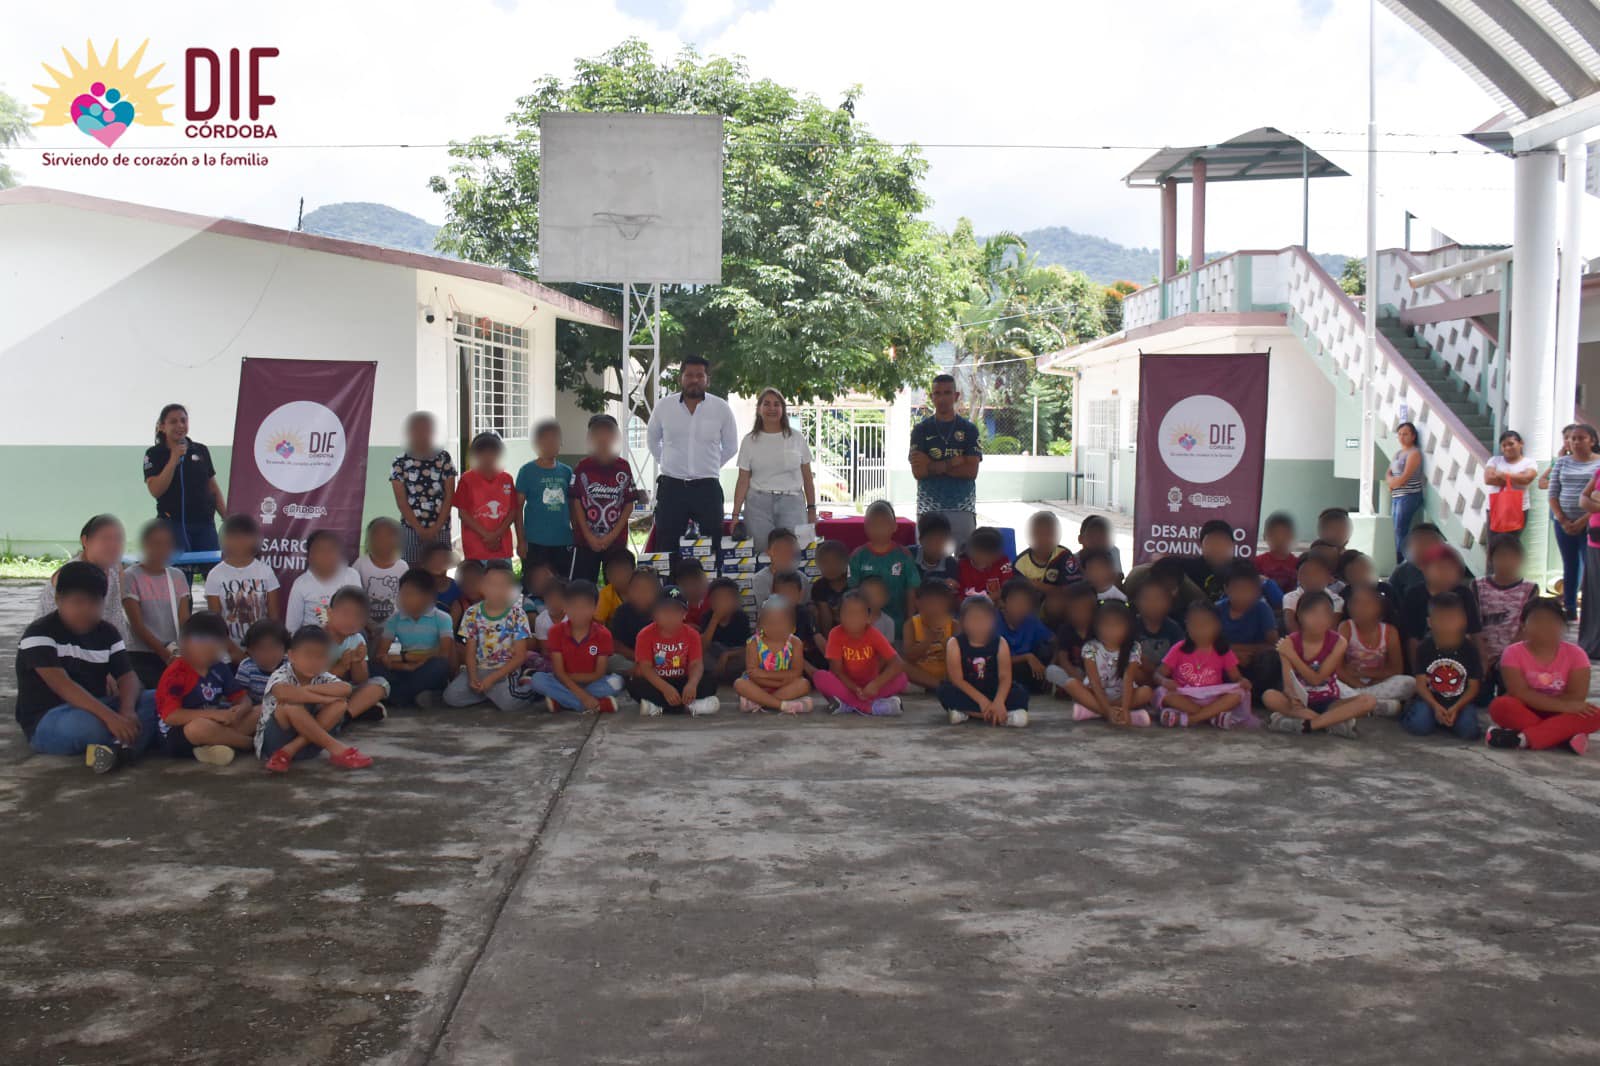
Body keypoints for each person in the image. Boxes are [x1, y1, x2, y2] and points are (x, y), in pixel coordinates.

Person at [15, 561, 157, 772]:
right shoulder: (38, 634)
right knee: (92, 727)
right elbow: (63, 685)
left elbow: (127, 676)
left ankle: (117, 750)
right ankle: (129, 743)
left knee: (158, 698)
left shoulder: (108, 633)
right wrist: (111, 718)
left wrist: (127, 711)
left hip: (99, 704)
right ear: (58, 600)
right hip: (50, 718)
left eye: (94, 602)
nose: (86, 610)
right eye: (78, 602)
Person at [648, 355, 740, 560]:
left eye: (700, 375)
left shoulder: (721, 408)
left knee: (713, 544)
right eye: (689, 375)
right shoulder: (664, 406)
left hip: (707, 488)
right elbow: (652, 440)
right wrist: (666, 463)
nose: (694, 380)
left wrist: (711, 465)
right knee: (666, 545)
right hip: (672, 487)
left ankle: (710, 590)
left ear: (707, 379)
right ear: (681, 378)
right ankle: (668, 589)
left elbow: (731, 446)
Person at [254, 625, 373, 773]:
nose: (314, 661)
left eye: (321, 656)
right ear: (292, 656)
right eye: (308, 655)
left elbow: (345, 688)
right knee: (290, 706)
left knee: (339, 705)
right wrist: (323, 699)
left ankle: (290, 750)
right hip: (275, 744)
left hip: (309, 746)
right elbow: (283, 694)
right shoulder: (282, 673)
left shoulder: (321, 676)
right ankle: (337, 749)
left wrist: (305, 690)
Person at [1487, 598, 1600, 753]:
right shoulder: (1513, 653)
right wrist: (1565, 706)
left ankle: (1521, 739)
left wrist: (1565, 707)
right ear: (1523, 625)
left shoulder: (1577, 655)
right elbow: (1519, 692)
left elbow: (1576, 697)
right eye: (1537, 620)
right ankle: (1563, 737)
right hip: (1527, 709)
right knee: (1500, 706)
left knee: (1594, 715)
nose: (1545, 626)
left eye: (1552, 620)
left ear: (1563, 626)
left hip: (1562, 713)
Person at [1263, 591, 1375, 738]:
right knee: (1269, 696)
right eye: (1313, 613)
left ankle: (1309, 724)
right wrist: (1291, 697)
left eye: (1325, 614)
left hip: (1329, 702)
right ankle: (1331, 723)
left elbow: (1316, 679)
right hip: (1300, 704)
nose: (1319, 619)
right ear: (1300, 616)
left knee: (1368, 701)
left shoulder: (1338, 642)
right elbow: (1288, 684)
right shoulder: (1289, 642)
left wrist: (1292, 655)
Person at [153, 612, 257, 765]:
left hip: (218, 724)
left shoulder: (219, 668)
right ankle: (250, 744)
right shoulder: (176, 673)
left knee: (261, 710)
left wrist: (241, 708)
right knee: (199, 728)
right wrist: (214, 714)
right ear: (185, 643)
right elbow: (171, 716)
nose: (206, 647)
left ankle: (217, 747)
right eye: (199, 641)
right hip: (180, 734)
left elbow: (241, 697)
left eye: (215, 642)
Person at [730, 388, 817, 552]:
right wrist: (735, 515)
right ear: (759, 409)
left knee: (792, 553)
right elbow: (743, 480)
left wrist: (811, 509)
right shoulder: (749, 441)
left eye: (777, 404)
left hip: (792, 503)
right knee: (762, 552)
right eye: (767, 404)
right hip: (758, 505)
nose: (772, 408)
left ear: (783, 409)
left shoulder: (796, 438)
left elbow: (807, 478)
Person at [444, 560, 535, 711]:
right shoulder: (472, 613)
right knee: (451, 697)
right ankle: (488, 692)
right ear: (483, 587)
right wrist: (473, 677)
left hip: (505, 671)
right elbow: (470, 651)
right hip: (479, 669)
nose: (497, 590)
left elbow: (520, 656)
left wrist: (492, 679)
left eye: (503, 585)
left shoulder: (517, 614)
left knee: (508, 705)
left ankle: (529, 685)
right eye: (492, 584)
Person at [909, 374, 983, 551]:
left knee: (965, 560)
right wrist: (952, 463)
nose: (942, 398)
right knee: (928, 562)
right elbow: (918, 472)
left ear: (956, 396)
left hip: (962, 506)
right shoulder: (920, 430)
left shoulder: (969, 430)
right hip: (929, 507)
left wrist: (933, 465)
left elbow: (971, 472)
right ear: (931, 396)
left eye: (947, 393)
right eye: (937, 393)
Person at [528, 580, 623, 714]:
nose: (579, 611)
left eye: (585, 606)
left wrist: (573, 682)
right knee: (537, 680)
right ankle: (595, 705)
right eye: (574, 606)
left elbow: (599, 673)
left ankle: (563, 701)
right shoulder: (555, 632)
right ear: (565, 606)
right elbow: (558, 671)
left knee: (617, 682)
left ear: (595, 607)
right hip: (563, 681)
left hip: (590, 682)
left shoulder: (603, 634)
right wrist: (582, 695)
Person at [1154, 601, 1253, 729]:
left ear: (1217, 626)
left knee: (1239, 692)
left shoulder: (1223, 650)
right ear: (1186, 625)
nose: (1199, 630)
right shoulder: (1179, 648)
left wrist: (1243, 681)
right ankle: (1212, 716)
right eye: (1194, 625)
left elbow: (1236, 678)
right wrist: (1164, 681)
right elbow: (1157, 674)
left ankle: (1191, 718)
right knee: (1162, 693)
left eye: (1205, 625)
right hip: (1185, 696)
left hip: (1213, 697)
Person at [1401, 592, 1485, 740]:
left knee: (1469, 732)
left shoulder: (1469, 649)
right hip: (1430, 701)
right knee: (1419, 726)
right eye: (1440, 619)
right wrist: (1435, 706)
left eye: (1451, 619)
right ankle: (1415, 712)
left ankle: (1446, 718)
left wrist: (1456, 707)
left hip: (1459, 702)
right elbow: (1420, 684)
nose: (1446, 624)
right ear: (1430, 622)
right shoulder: (1425, 647)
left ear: (1463, 621)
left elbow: (1473, 686)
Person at [143, 403, 225, 553]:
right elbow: (155, 490)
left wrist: (227, 517)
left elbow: (212, 486)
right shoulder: (154, 454)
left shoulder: (200, 450)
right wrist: (173, 459)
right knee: (180, 571)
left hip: (204, 524)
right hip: (172, 524)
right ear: (162, 426)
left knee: (209, 567)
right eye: (173, 422)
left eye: (183, 420)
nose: (180, 425)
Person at [629, 585, 720, 717]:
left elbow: (696, 664)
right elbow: (645, 668)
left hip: (683, 680)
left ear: (684, 614)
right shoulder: (644, 635)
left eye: (676, 611)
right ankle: (690, 707)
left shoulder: (692, 634)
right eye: (665, 611)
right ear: (654, 614)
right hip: (658, 682)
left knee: (710, 680)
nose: (670, 616)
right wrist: (665, 688)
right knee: (634, 683)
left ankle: (659, 708)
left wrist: (692, 684)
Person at [938, 595, 1029, 727]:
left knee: (1020, 693)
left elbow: (1005, 677)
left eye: (984, 619)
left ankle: (968, 712)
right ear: (962, 621)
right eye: (973, 619)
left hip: (993, 690)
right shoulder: (955, 643)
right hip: (968, 691)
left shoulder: (1000, 642)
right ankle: (999, 715)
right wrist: (982, 701)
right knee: (945, 691)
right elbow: (957, 679)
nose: (979, 624)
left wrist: (998, 701)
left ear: (993, 621)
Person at [34, 515, 130, 641]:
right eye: (105, 539)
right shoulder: (70, 575)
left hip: (109, 647)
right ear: (85, 541)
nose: (113, 545)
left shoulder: (115, 567)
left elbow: (121, 603)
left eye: (118, 539)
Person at [814, 589, 908, 716]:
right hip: (846, 686)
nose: (853, 618)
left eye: (858, 613)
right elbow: (837, 671)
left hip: (870, 686)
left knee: (901, 679)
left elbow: (898, 663)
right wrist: (855, 689)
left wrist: (875, 684)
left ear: (868, 618)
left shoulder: (873, 634)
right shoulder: (835, 634)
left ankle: (847, 705)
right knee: (820, 677)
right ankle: (868, 707)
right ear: (839, 616)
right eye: (848, 613)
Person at [122, 520, 191, 689]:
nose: (162, 549)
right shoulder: (130, 576)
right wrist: (166, 655)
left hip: (174, 652)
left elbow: (185, 621)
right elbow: (137, 626)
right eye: (156, 544)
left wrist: (186, 651)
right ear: (145, 545)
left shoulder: (177, 576)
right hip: (142, 654)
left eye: (167, 544)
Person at [570, 414, 638, 583]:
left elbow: (629, 504)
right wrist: (588, 536)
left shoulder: (623, 466)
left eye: (608, 433)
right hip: (586, 542)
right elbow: (576, 501)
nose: (603, 438)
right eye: (597, 433)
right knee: (583, 586)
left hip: (616, 541)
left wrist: (610, 537)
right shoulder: (582, 467)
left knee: (618, 586)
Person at [205, 514, 282, 663]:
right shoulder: (215, 575)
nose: (239, 542)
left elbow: (274, 618)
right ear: (224, 540)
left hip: (262, 652)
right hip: (228, 654)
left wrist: (264, 650)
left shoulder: (266, 572)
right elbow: (215, 622)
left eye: (245, 536)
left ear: (255, 540)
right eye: (233, 537)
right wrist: (234, 652)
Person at [379, 569, 455, 707]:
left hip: (427, 668)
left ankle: (396, 696)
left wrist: (407, 658)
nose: (403, 599)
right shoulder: (394, 619)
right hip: (404, 670)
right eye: (402, 594)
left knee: (439, 666)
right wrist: (405, 665)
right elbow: (381, 655)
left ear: (428, 597)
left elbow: (444, 654)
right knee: (371, 666)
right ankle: (411, 696)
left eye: (410, 594)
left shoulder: (442, 618)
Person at [1071, 600, 1153, 727]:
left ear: (1128, 628)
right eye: (1105, 625)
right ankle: (1118, 714)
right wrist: (1107, 710)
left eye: (1116, 625)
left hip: (1122, 694)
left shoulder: (1133, 647)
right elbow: (1094, 681)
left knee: (1146, 692)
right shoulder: (1090, 647)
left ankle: (1096, 712)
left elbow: (1128, 679)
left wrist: (1125, 707)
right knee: (1071, 684)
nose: (1110, 630)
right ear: (1096, 626)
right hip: (1095, 692)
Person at [390, 411, 457, 566]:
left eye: (426, 429)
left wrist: (436, 528)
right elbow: (401, 501)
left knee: (439, 571)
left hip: (441, 527)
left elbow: (449, 495)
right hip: (412, 529)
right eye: (417, 429)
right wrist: (420, 529)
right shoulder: (399, 462)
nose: (421, 434)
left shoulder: (443, 458)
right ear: (409, 433)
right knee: (413, 572)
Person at [1336, 583, 1412, 716]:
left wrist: (1367, 677)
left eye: (1367, 604)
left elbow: (1396, 670)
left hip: (1378, 682)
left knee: (1410, 683)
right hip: (1350, 682)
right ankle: (1373, 705)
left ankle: (1356, 702)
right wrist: (1358, 684)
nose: (1359, 608)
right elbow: (1338, 668)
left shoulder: (1390, 632)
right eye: (1355, 602)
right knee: (1329, 682)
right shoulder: (1346, 627)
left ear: (1381, 609)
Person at [514, 419, 576, 582]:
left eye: (555, 439)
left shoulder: (567, 472)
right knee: (534, 585)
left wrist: (576, 533)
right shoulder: (527, 471)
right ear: (537, 443)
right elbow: (517, 508)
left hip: (563, 540)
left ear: (561, 443)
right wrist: (521, 541)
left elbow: (573, 506)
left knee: (561, 586)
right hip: (535, 541)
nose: (551, 444)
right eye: (546, 439)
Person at [1548, 424, 1600, 617]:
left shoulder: (1598, 465)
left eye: (1581, 438)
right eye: (1572, 438)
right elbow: (1553, 493)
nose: (1576, 442)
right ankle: (1569, 607)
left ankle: (1590, 607)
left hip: (1591, 524)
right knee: (1570, 564)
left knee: (1591, 566)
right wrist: (1562, 519)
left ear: (1592, 441)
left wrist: (1582, 521)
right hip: (1563, 523)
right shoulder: (1562, 463)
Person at [1399, 544, 1482, 664]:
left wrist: (1482, 663)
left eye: (1451, 568)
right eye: (1440, 567)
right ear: (1425, 570)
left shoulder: (1464, 594)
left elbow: (1475, 633)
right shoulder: (1414, 595)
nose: (1446, 573)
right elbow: (1412, 640)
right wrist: (1417, 672)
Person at [848, 501, 921, 637]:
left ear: (894, 526)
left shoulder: (904, 555)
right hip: (867, 622)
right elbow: (853, 589)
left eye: (884, 524)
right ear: (865, 527)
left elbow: (911, 589)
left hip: (897, 622)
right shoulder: (858, 556)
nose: (879, 529)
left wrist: (910, 619)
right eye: (873, 525)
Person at [733, 596, 814, 714]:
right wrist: (776, 680)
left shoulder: (795, 643)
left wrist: (777, 681)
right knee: (740, 684)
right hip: (759, 684)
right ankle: (781, 705)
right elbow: (753, 673)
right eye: (770, 623)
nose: (776, 627)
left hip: (784, 686)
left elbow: (797, 672)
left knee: (804, 684)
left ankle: (759, 702)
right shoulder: (754, 643)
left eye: (781, 623)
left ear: (792, 627)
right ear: (760, 625)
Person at [323, 588, 391, 723]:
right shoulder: (317, 638)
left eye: (358, 616)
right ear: (330, 613)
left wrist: (358, 662)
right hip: (322, 690)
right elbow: (315, 679)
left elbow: (360, 680)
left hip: (346, 690)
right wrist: (342, 666)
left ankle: (344, 717)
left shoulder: (357, 639)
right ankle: (357, 709)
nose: (351, 620)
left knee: (380, 684)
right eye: (345, 614)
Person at [1476, 536, 1537, 685]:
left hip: (1514, 656)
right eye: (1501, 556)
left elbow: (1527, 628)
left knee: (1511, 696)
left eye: (1513, 556)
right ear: (1491, 558)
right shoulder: (1477, 585)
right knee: (1480, 699)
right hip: (1482, 654)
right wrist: (1483, 655)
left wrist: (1506, 656)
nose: (1507, 561)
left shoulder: (1530, 588)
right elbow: (1473, 625)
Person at [455, 432, 520, 563]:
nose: (487, 457)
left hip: (502, 547)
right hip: (475, 549)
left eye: (492, 452)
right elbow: (463, 513)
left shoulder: (507, 479)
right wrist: (487, 536)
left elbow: (513, 511)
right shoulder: (466, 480)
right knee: (477, 582)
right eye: (482, 452)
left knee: (502, 581)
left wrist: (496, 535)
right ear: (475, 455)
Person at [1216, 560, 1279, 692]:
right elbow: (1207, 642)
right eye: (1237, 589)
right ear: (1226, 589)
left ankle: (1256, 694)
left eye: (1247, 590)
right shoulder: (1217, 609)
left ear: (1257, 591)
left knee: (1271, 658)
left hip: (1253, 660)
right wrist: (1232, 655)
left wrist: (1242, 652)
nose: (1242, 595)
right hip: (1225, 660)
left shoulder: (1262, 609)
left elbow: (1274, 644)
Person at [285, 530, 361, 630]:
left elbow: (358, 613)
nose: (326, 555)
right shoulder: (301, 584)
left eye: (331, 550)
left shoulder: (351, 576)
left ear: (340, 555)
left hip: (345, 635)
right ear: (309, 556)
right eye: (320, 550)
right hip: (313, 639)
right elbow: (292, 626)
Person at [996, 578, 1055, 692]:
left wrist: (1051, 667)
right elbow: (993, 658)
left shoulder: (1031, 621)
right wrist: (1027, 657)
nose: (1022, 608)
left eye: (1026, 603)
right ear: (1003, 603)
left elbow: (1056, 643)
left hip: (1028, 668)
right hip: (1003, 668)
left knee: (1046, 653)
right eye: (1016, 602)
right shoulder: (994, 622)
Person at [355, 517, 409, 642]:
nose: (383, 540)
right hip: (367, 626)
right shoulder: (361, 564)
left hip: (396, 627)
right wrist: (366, 626)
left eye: (389, 536)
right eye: (377, 536)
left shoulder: (402, 566)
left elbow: (405, 599)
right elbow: (355, 598)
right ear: (369, 540)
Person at [902, 582, 957, 691]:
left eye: (940, 604)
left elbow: (959, 658)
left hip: (947, 674)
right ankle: (940, 687)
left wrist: (946, 644)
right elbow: (909, 657)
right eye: (930, 603)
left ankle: (946, 686)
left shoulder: (954, 625)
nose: (935, 608)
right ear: (918, 603)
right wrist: (928, 641)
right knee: (901, 665)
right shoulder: (911, 624)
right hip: (921, 676)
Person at [1484, 430, 1538, 539]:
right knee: (1494, 543)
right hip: (1495, 508)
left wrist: (1502, 474)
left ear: (1521, 443)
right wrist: (1517, 477)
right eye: (1504, 445)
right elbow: (1488, 479)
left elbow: (1527, 478)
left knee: (1512, 543)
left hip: (1519, 509)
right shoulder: (1494, 460)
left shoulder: (1529, 462)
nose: (1507, 448)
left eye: (1511, 444)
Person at [1384, 420, 1425, 561]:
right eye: (1400, 434)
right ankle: (1399, 558)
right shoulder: (1398, 453)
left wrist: (1393, 484)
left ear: (1413, 436)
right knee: (1395, 529)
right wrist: (1392, 483)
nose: (1402, 437)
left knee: (1401, 529)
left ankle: (1401, 560)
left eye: (1405, 434)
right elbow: (1388, 473)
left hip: (1409, 496)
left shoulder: (1414, 453)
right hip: (1397, 495)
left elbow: (1405, 477)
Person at [607, 568, 659, 676]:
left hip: (659, 660)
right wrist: (638, 658)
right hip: (631, 659)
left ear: (657, 593)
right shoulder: (623, 611)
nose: (641, 594)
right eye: (636, 589)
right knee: (611, 660)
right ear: (628, 591)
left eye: (647, 590)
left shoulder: (662, 611)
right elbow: (616, 644)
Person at [701, 577, 752, 683]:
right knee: (700, 658)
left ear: (736, 601)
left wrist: (727, 655)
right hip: (713, 656)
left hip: (734, 655)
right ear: (710, 601)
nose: (722, 602)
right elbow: (703, 647)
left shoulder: (741, 618)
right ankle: (721, 677)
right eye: (717, 598)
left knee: (748, 658)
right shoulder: (707, 617)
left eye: (727, 598)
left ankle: (721, 677)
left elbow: (748, 647)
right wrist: (715, 620)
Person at [1014, 510, 1079, 593]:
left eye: (1050, 534)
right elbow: (1018, 592)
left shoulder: (1064, 555)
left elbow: (1071, 590)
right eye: (1037, 534)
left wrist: (1036, 585)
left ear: (1058, 536)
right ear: (1028, 536)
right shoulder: (1020, 564)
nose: (1044, 539)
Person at [1282, 554, 1343, 635]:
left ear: (1329, 577)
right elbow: (1291, 625)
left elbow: (1333, 627)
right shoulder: (1291, 597)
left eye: (1317, 572)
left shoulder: (1337, 600)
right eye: (1305, 573)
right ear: (1298, 577)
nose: (1311, 577)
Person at [235, 620, 289, 707]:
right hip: (256, 709)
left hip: (284, 708)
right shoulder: (247, 667)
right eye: (261, 648)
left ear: (285, 649)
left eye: (274, 647)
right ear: (250, 651)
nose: (268, 653)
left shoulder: (291, 665)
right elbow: (239, 694)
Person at [956, 526, 1014, 601]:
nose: (983, 561)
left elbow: (1009, 588)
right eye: (978, 556)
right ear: (970, 551)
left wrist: (990, 598)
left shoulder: (1004, 563)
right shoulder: (962, 566)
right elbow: (958, 596)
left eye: (988, 558)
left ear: (997, 555)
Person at [753, 528, 808, 605]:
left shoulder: (803, 579)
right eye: (779, 550)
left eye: (789, 550)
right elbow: (766, 609)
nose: (785, 556)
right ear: (768, 552)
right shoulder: (760, 579)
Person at [811, 540, 851, 637]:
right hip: (832, 632)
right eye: (824, 562)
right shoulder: (819, 586)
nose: (830, 567)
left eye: (835, 562)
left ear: (846, 563)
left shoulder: (853, 583)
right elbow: (825, 617)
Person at [912, 512, 962, 588]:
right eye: (934, 540)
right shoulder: (909, 555)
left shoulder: (951, 564)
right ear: (921, 541)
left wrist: (953, 585)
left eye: (944, 539)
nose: (939, 545)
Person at [1255, 512, 1299, 591]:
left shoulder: (1298, 563)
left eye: (1284, 534)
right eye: (1274, 534)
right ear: (1265, 536)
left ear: (1291, 536)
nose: (1280, 539)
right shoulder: (1257, 561)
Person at [596, 551, 635, 625]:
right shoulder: (605, 594)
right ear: (607, 575)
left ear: (633, 571)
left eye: (623, 572)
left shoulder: (642, 589)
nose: (619, 578)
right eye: (613, 573)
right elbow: (597, 622)